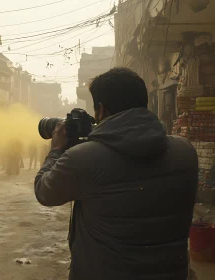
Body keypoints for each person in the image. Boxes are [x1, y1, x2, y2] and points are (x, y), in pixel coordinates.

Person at [34, 68, 198, 280]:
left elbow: (44, 191)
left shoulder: (83, 159)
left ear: (101, 110)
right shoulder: (185, 152)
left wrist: (56, 149)